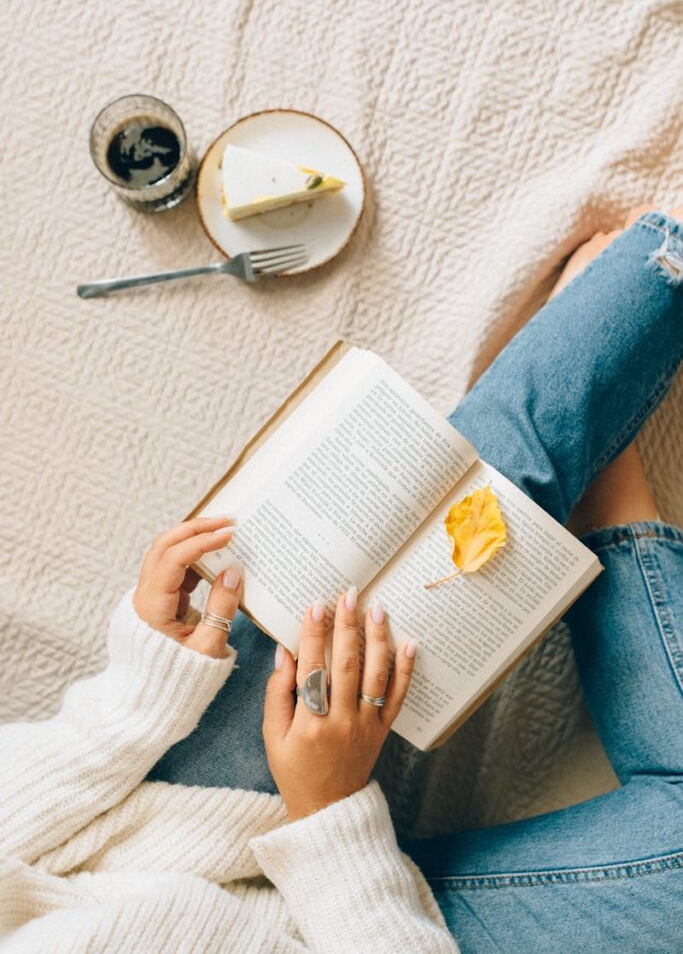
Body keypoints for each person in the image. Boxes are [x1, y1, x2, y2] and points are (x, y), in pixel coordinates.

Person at [2, 208, 682, 953]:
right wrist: (331, 814)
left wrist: (137, 701)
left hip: (175, 826)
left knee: (456, 492)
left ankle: (641, 305)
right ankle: (606, 487)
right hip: (359, 929)